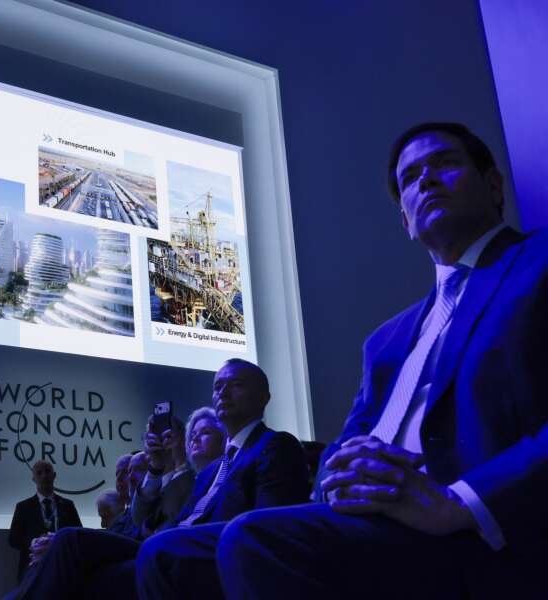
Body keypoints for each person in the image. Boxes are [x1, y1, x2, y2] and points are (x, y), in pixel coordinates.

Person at [211, 123, 548, 599]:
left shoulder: (538, 263)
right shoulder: (386, 340)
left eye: (445, 163)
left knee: (255, 540)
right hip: (371, 520)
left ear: (493, 186)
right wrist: (338, 477)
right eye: (410, 178)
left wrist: (462, 503)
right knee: (170, 555)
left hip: (482, 529)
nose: (426, 179)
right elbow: (343, 445)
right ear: (406, 222)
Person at [6, 358, 309, 600]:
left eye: (236, 384)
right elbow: (175, 520)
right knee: (67, 541)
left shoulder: (275, 446)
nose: (223, 392)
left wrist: (171, 537)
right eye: (218, 386)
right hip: (167, 545)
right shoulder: (212, 471)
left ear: (264, 397)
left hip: (200, 555)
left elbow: (267, 528)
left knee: (92, 569)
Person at [7, 460, 83, 581]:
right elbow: (13, 539)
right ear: (33, 478)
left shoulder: (68, 505)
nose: (44, 475)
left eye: (47, 471)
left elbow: (79, 535)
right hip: (33, 570)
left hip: (63, 569)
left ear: (54, 475)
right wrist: (35, 543)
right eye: (39, 473)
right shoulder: (23, 507)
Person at [132, 414, 195, 535]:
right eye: (149, 436)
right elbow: (138, 519)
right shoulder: (152, 481)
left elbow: (174, 517)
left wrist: (179, 460)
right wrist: (155, 467)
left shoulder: (193, 478)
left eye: (163, 434)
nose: (155, 440)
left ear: (182, 440)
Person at [185, 406, 226, 472]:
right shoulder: (191, 481)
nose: (195, 439)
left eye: (205, 432)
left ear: (222, 439)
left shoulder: (232, 474)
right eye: (193, 435)